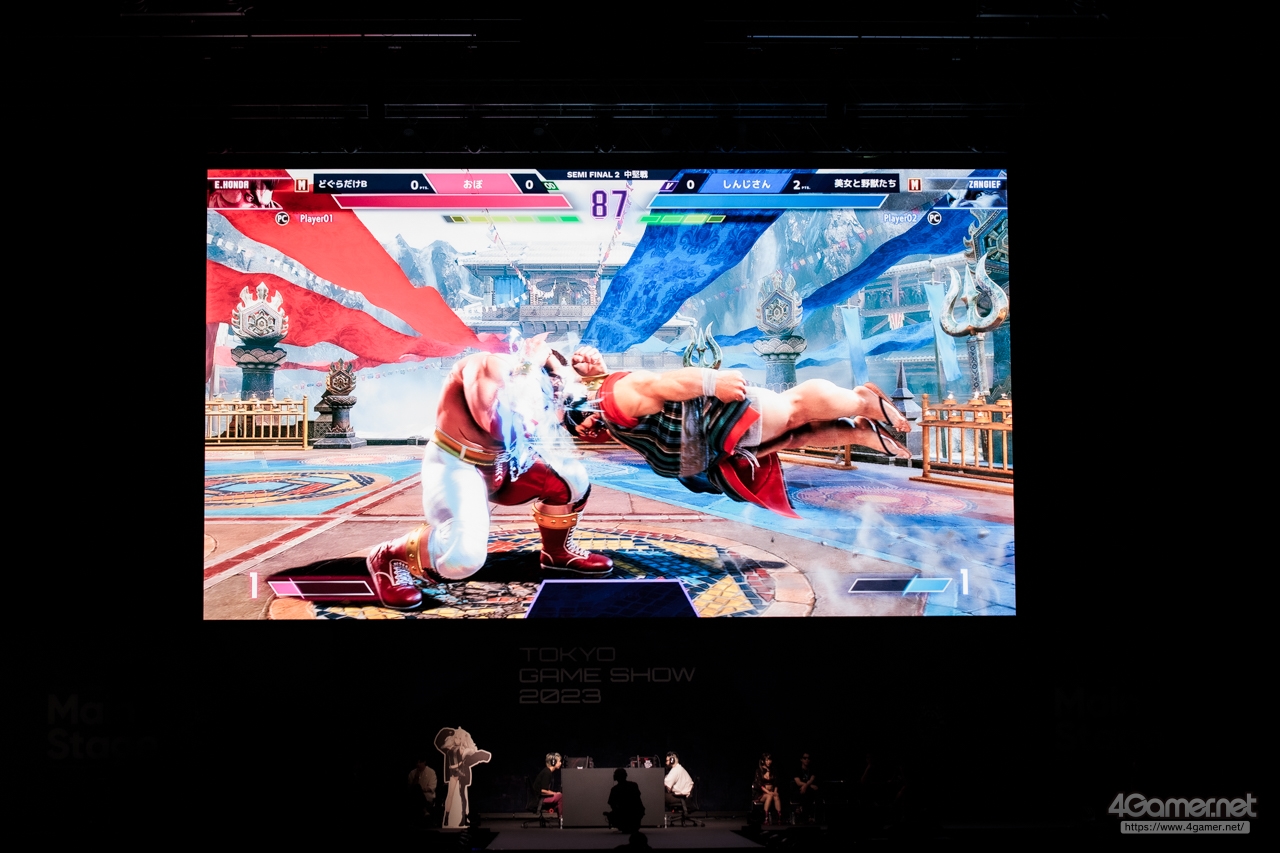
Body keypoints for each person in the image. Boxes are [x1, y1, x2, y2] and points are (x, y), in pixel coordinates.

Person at [365, 336, 613, 609]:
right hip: (459, 463)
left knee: (573, 477)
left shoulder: (548, 385)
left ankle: (557, 551)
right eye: (550, 379)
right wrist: (528, 370)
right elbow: (499, 427)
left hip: (506, 464)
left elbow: (588, 427)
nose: (556, 392)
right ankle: (390, 555)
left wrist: (596, 380)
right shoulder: (488, 367)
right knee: (463, 559)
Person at [563, 347, 911, 518]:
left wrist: (711, 381)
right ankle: (858, 432)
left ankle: (862, 402)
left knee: (794, 408)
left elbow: (660, 384)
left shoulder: (614, 396)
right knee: (794, 435)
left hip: (718, 418)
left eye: (582, 424)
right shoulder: (609, 410)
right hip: (711, 444)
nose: (586, 431)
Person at [435, 727, 492, 828]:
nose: (457, 739)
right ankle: (446, 816)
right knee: (450, 794)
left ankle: (463, 818)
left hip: (461, 771)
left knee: (462, 794)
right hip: (453, 772)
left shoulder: (463, 749)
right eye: (456, 737)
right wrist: (449, 731)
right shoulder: (449, 747)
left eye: (459, 738)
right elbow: (438, 743)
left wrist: (466, 753)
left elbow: (471, 756)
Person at [605, 767, 646, 833]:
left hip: (625, 813)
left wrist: (616, 811)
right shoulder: (633, 785)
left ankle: (624, 824)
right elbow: (638, 799)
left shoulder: (615, 789)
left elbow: (612, 803)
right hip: (635, 813)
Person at [529, 752, 563, 819]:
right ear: (553, 762)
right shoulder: (547, 773)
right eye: (559, 761)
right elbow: (543, 790)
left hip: (539, 798)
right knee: (560, 796)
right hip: (540, 799)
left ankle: (561, 817)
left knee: (559, 796)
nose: (560, 763)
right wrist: (555, 793)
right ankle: (562, 818)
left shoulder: (547, 771)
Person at [662, 752, 693, 817]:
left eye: (667, 760)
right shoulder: (679, 768)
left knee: (660, 795)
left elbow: (666, 784)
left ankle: (658, 818)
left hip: (682, 798)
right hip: (686, 797)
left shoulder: (675, 770)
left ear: (672, 760)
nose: (666, 763)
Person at [754, 752, 782, 826]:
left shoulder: (773, 770)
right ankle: (766, 818)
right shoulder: (759, 771)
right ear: (763, 761)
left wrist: (775, 791)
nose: (769, 762)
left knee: (776, 795)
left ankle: (779, 817)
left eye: (770, 760)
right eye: (767, 760)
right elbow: (759, 785)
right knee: (769, 796)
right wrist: (769, 792)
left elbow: (776, 783)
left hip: (772, 792)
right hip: (761, 794)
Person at [792, 752, 819, 823]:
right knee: (805, 792)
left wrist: (806, 786)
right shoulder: (797, 770)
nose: (807, 760)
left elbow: (812, 779)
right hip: (799, 790)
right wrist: (808, 785)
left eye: (808, 758)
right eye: (805, 758)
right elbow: (798, 783)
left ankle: (810, 816)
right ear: (801, 759)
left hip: (809, 791)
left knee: (811, 792)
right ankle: (805, 816)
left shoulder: (812, 769)